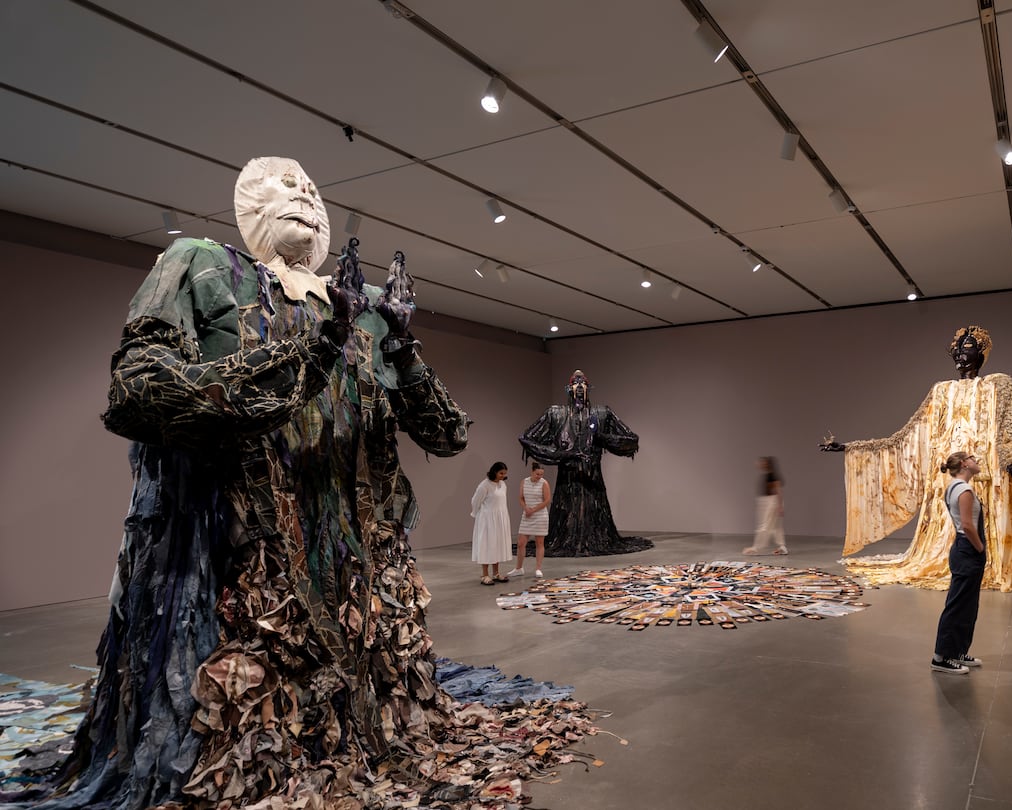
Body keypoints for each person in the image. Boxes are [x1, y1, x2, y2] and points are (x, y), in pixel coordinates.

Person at [26, 157, 590, 810]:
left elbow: (446, 434)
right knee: (244, 721)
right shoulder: (202, 265)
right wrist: (311, 351)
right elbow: (138, 390)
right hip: (238, 559)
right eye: (288, 187)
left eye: (316, 193)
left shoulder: (367, 310)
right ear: (247, 202)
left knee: (352, 710)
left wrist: (402, 351)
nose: (307, 199)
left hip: (354, 568)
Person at [822, 326, 1012, 596]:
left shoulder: (999, 384)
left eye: (967, 348)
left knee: (978, 520)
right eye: (956, 348)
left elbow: (1007, 428)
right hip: (949, 474)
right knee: (959, 521)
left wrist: (1011, 462)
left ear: (981, 353)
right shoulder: (941, 390)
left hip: (985, 472)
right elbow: (907, 434)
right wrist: (852, 447)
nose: (959, 353)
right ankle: (956, 559)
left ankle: (983, 558)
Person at [518, 370, 653, 556]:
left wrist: (601, 436)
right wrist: (564, 455)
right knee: (568, 516)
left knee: (593, 514)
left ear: (588, 388)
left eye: (583, 383)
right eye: (575, 383)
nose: (579, 386)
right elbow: (526, 438)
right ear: (569, 388)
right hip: (567, 483)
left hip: (593, 482)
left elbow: (630, 440)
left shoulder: (601, 413)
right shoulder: (556, 414)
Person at [931, 451, 986, 674]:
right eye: (973, 459)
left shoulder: (953, 486)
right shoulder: (964, 490)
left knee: (968, 606)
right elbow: (968, 525)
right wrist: (980, 548)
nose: (977, 461)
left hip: (963, 549)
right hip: (968, 549)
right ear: (964, 464)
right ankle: (941, 657)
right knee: (958, 606)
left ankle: (958, 651)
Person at [471, 461, 513, 584]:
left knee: (497, 545)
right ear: (494, 471)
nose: (503, 476)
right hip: (487, 520)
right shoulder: (484, 485)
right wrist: (476, 514)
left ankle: (496, 573)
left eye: (504, 474)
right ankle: (484, 575)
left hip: (500, 519)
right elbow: (475, 501)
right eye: (501, 473)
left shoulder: (503, 484)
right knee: (487, 545)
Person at [508, 462, 552, 578]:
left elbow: (547, 500)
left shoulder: (544, 483)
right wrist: (526, 508)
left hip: (540, 515)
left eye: (541, 474)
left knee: (539, 542)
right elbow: (521, 498)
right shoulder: (524, 482)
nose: (539, 476)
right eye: (537, 474)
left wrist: (534, 509)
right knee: (521, 542)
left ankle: (538, 568)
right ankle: (518, 568)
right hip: (527, 515)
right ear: (532, 472)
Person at [742, 456, 787, 555]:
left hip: (772, 502)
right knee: (776, 526)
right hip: (768, 501)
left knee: (765, 525)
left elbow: (778, 490)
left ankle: (756, 547)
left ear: (768, 464)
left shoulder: (773, 476)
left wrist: (779, 505)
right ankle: (782, 547)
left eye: (763, 463)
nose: (760, 464)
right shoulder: (768, 475)